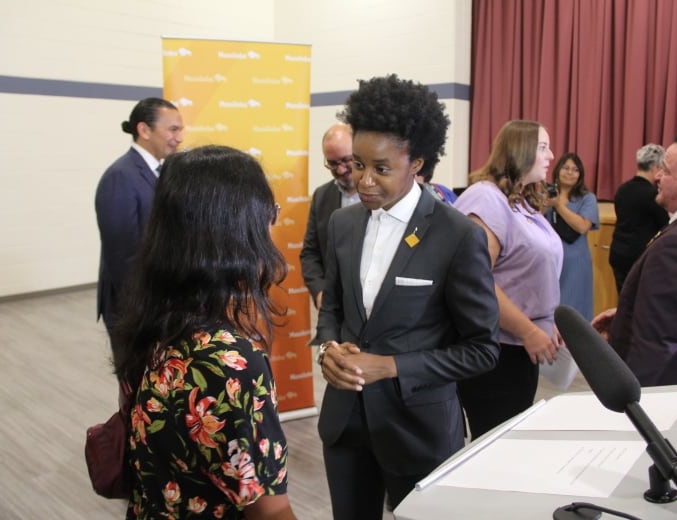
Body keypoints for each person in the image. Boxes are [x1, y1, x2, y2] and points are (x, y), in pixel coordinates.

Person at [314, 74, 500, 519]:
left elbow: (482, 349)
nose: (364, 180)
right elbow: (333, 307)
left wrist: (393, 366)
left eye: (381, 168)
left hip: (418, 428)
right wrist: (327, 348)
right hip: (346, 424)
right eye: (358, 165)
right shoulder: (342, 225)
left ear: (416, 163)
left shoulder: (456, 236)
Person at [113, 145, 296, 520]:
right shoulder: (231, 365)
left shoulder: (158, 325)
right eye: (269, 214)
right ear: (236, 231)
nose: (272, 226)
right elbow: (270, 512)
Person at [453, 119, 563, 439]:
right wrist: (529, 329)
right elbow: (475, 281)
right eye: (542, 147)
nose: (551, 154)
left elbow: (528, 274)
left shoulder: (522, 201)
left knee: (509, 439)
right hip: (495, 351)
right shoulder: (485, 198)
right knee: (494, 443)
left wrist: (545, 319)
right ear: (519, 151)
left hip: (518, 349)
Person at [592, 131, 677, 386]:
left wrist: (628, 405)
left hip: (672, 390)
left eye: (665, 170)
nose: (656, 176)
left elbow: (655, 344)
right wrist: (630, 314)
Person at [95, 97, 184, 357]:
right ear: (144, 130)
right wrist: (144, 311)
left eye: (180, 130)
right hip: (136, 307)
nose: (179, 137)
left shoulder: (162, 171)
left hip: (159, 303)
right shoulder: (121, 176)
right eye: (173, 129)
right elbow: (123, 257)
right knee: (137, 384)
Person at [300, 123, 360, 310]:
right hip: (332, 307)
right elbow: (310, 253)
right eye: (332, 163)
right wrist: (319, 292)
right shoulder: (321, 196)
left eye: (345, 160)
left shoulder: (381, 194)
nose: (341, 169)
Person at [544, 152, 600, 320]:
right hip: (549, 259)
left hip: (575, 261)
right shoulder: (545, 193)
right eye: (566, 168)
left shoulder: (587, 198)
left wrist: (558, 206)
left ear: (580, 175)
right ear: (557, 170)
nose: (570, 172)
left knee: (574, 307)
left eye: (575, 170)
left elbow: (582, 226)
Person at [609, 143, 669, 293]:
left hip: (618, 253)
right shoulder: (653, 195)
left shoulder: (622, 189)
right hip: (640, 257)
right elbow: (665, 225)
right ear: (655, 167)